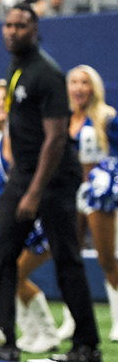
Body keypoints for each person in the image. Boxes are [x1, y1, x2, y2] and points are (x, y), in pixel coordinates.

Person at [0, 5, 102, 362]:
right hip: (24, 174)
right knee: (0, 249)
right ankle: (3, 342)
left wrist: (34, 191)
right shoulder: (16, 69)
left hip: (53, 177)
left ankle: (87, 344)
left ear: (35, 29)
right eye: (8, 25)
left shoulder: (48, 74)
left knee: (66, 257)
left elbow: (56, 139)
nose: (12, 31)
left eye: (20, 26)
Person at [0, 79, 65, 354]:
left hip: (38, 215)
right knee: (11, 275)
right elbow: (7, 186)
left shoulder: (23, 133)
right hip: (17, 215)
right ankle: (34, 332)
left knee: (13, 275)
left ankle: (47, 332)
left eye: (4, 100)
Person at [68, 64, 118, 342]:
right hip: (69, 193)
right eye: (73, 82)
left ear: (93, 87)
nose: (78, 88)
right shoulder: (63, 120)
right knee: (69, 258)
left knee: (105, 256)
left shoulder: (107, 117)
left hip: (100, 194)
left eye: (84, 82)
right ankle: (72, 319)